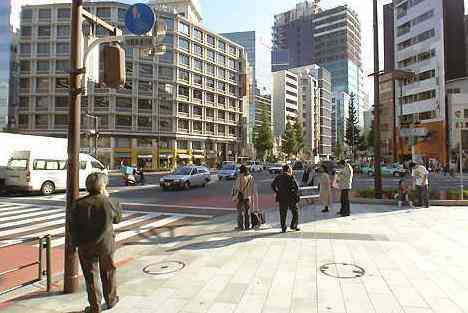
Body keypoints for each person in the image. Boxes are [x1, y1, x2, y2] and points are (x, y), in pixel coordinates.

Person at [71, 173, 122, 313]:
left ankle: (95, 306)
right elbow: (118, 219)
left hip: (85, 244)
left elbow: (72, 227)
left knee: (91, 276)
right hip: (106, 244)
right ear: (103, 186)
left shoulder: (78, 204)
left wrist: (74, 244)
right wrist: (106, 196)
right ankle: (111, 300)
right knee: (109, 271)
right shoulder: (111, 202)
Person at [271, 165, 300, 233]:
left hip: (281, 197)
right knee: (295, 212)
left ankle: (283, 228)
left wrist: (277, 192)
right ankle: (293, 225)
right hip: (291, 197)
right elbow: (296, 187)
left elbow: (272, 185)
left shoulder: (278, 177)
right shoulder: (291, 176)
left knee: (283, 213)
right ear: (288, 170)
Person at [232, 165, 255, 230]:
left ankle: (240, 226)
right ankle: (247, 226)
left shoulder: (240, 177)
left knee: (239, 212)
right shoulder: (251, 177)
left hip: (240, 197)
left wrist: (234, 194)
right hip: (248, 197)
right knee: (247, 212)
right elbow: (252, 188)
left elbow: (237, 187)